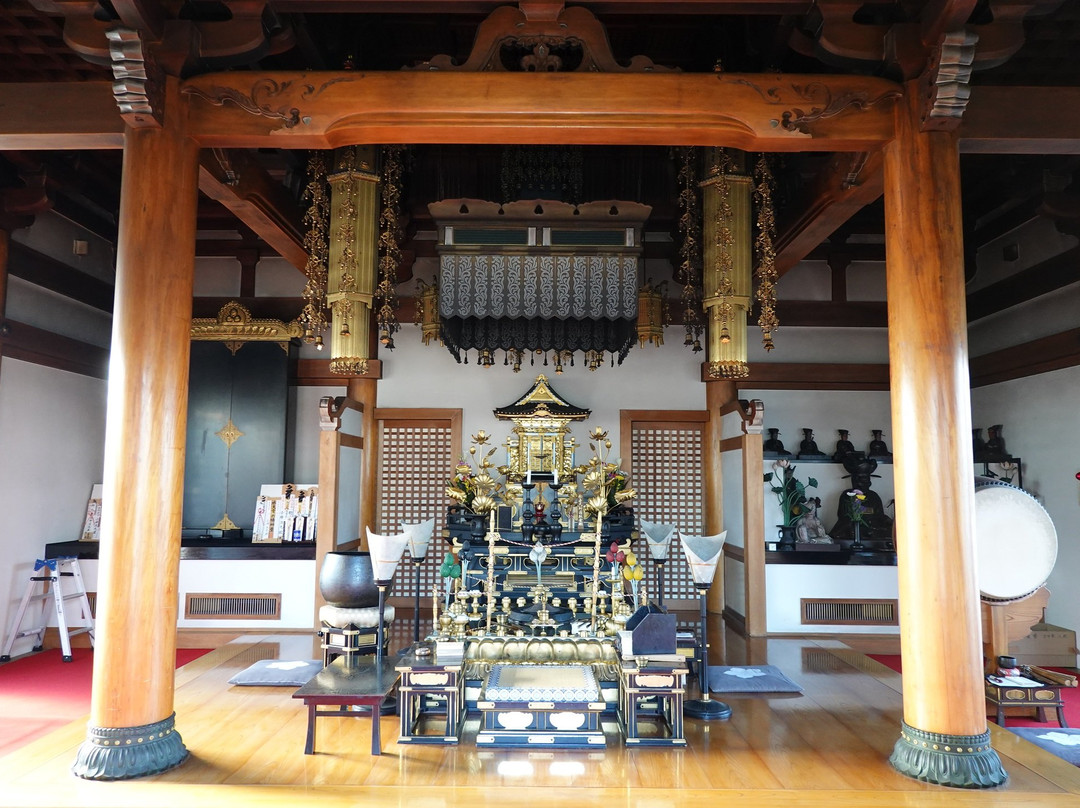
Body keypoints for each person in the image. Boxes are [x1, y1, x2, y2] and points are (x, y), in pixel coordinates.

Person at [829, 456, 893, 542]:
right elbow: (844, 516)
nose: (862, 482)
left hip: (874, 527)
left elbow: (880, 515)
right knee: (848, 532)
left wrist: (889, 521)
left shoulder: (873, 496)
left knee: (890, 531)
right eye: (858, 478)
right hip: (854, 526)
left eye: (865, 478)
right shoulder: (847, 495)